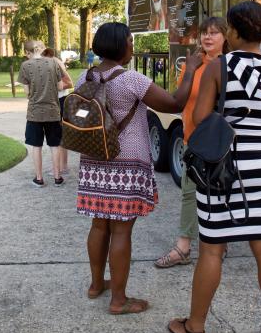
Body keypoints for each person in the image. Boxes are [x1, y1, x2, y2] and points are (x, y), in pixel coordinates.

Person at [167, 1, 261, 333]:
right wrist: (258, 125)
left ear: (236, 32)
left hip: (220, 171)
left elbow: (200, 114)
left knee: (211, 251)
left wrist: (235, 123)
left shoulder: (220, 68)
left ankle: (195, 328)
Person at [78, 22, 202, 315]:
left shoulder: (87, 75)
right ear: (120, 46)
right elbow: (174, 103)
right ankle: (119, 300)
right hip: (127, 162)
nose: (133, 46)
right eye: (131, 42)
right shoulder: (132, 80)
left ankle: (97, 285)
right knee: (121, 231)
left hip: (94, 160)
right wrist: (191, 70)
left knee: (98, 224)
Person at [154, 17, 229, 269]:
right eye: (204, 33)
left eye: (214, 33)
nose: (208, 38)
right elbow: (180, 98)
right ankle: (183, 247)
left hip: (220, 143)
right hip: (192, 139)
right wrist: (189, 69)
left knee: (222, 191)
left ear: (225, 37)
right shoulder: (193, 63)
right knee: (189, 192)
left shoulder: (230, 66)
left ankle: (220, 241)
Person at [19, 42, 72, 187]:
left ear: (27, 52)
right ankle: (57, 177)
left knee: (36, 146)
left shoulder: (25, 66)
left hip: (35, 112)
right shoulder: (53, 63)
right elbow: (61, 86)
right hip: (53, 111)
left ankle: (39, 178)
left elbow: (27, 93)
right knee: (54, 144)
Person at [41, 47, 73, 174]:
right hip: (55, 101)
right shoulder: (48, 62)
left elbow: (69, 83)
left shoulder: (56, 62)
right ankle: (62, 166)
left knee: (57, 135)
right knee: (59, 135)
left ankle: (61, 167)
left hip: (60, 101)